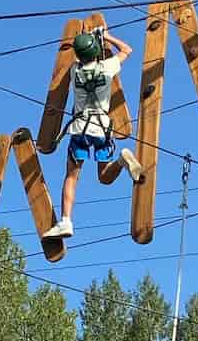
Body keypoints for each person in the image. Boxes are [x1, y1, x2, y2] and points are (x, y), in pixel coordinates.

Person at [44, 28, 144, 240]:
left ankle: (66, 221)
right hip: (101, 127)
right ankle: (122, 160)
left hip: (80, 127)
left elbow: (81, 60)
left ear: (78, 55)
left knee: (72, 176)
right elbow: (127, 49)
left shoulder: (75, 72)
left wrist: (87, 41)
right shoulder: (108, 68)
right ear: (97, 51)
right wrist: (106, 36)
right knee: (104, 177)